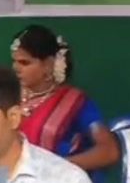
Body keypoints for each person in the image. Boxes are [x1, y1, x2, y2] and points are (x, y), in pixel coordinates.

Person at [10, 25, 119, 172]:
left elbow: (108, 151)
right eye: (14, 61)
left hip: (53, 181)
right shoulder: (8, 96)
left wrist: (59, 166)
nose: (16, 68)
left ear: (48, 64)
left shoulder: (73, 102)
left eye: (24, 62)